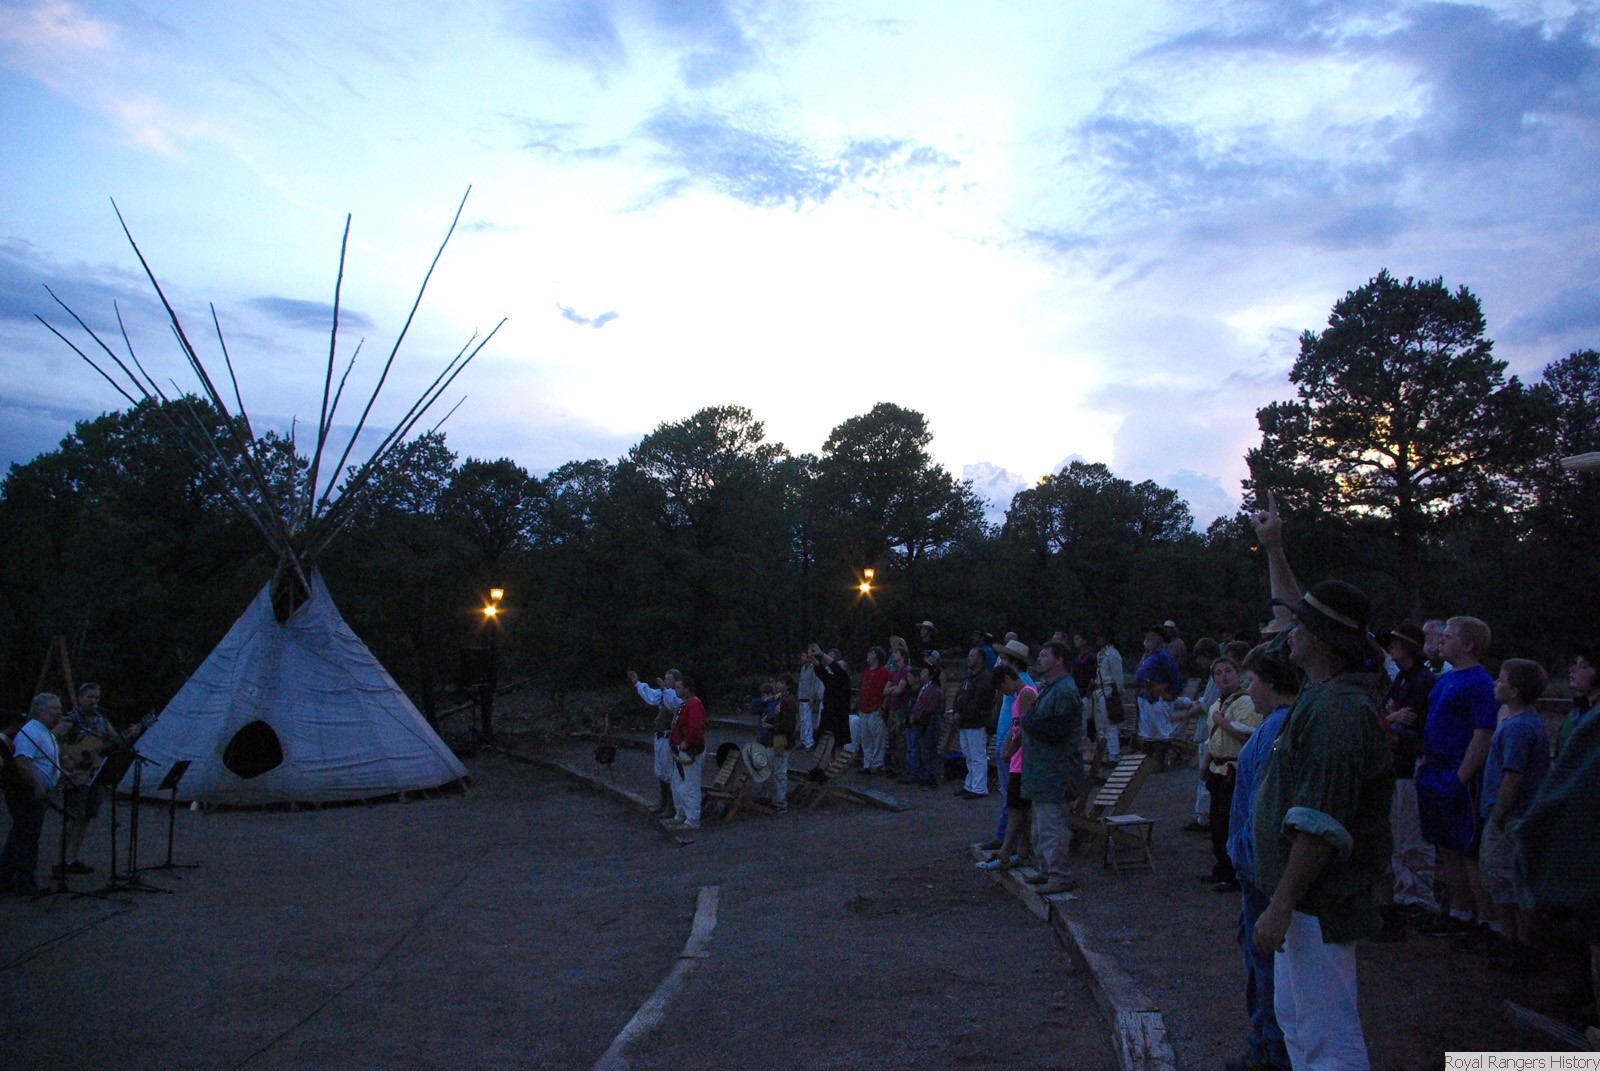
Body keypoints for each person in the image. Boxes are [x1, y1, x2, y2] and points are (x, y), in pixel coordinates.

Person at [1251, 492, 1393, 1071]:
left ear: (1325, 641)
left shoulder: (1337, 714)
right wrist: (1274, 547)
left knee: (1327, 1036)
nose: (1288, 632)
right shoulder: (1326, 689)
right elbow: (1290, 611)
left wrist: (1280, 904)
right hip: (1304, 900)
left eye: (1302, 627)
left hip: (1317, 901)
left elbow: (1320, 823)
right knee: (1299, 1022)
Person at [1225, 643, 1300, 1071]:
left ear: (1270, 682)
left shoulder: (1275, 728)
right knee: (1263, 961)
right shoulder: (1281, 724)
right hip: (1258, 866)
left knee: (1265, 962)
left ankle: (1270, 1049)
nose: (1248, 689)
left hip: (1260, 872)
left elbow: (1263, 808)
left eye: (1252, 680)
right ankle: (1268, 1044)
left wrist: (1247, 861)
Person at [1413, 616, 1498, 943]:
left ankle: (1486, 920)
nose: (1440, 641)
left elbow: (1483, 733)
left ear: (1469, 645)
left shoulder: (1479, 683)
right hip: (1435, 771)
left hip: (1458, 774)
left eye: (1448, 637)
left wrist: (1461, 778)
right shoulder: (1446, 680)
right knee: (1446, 844)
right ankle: (1459, 911)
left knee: (1467, 848)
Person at [1477, 658, 1551, 972]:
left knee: (1505, 880)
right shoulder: (1522, 721)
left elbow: (1513, 777)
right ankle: (1517, 946)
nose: (1496, 683)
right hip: (1515, 816)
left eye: (1501, 680)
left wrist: (1498, 816)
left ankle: (1516, 945)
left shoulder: (1519, 729)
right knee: (1509, 881)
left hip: (1511, 818)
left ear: (1515, 691)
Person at [1373, 621, 1439, 940]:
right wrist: (1390, 720)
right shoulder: (1400, 679)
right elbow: (1390, 717)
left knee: (1411, 838)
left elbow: (1411, 724)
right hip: (1397, 765)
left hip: (1410, 766)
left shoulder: (1422, 681)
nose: (1391, 649)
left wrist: (1392, 723)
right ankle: (1403, 897)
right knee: (1398, 837)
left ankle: (1418, 900)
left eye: (1396, 643)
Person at [1018, 640, 1085, 896]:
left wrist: (1028, 722)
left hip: (1055, 771)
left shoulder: (1064, 691)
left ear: (1059, 660)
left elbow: (1059, 730)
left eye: (1044, 655)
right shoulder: (1052, 689)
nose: (1039, 659)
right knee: (1041, 827)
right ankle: (1047, 870)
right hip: (1044, 771)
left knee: (1052, 827)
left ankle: (1059, 875)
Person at [1202, 655, 1261, 891]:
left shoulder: (1245, 703)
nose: (1224, 676)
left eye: (1228, 671)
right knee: (1216, 823)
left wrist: (1222, 722)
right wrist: (1206, 763)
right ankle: (1222, 866)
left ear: (1238, 675)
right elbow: (1214, 739)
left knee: (1230, 822)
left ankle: (1234, 872)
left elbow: (1248, 737)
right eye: (1218, 673)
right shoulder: (1216, 704)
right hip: (1217, 769)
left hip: (1234, 769)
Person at [1, 694, 64, 896]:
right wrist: (37, 785)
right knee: (27, 838)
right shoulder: (31, 731)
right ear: (40, 710)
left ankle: (6, 878)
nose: (59, 713)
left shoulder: (45, 732)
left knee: (20, 835)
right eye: (54, 708)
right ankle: (25, 883)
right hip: (25, 792)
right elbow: (22, 761)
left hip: (34, 791)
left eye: (59, 708)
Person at [977, 663, 1036, 873]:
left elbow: (1024, 729)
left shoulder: (1026, 694)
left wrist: (1010, 751)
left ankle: (1004, 853)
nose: (1002, 693)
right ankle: (1022, 852)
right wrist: (1008, 746)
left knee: (1015, 809)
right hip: (1018, 761)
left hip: (1022, 762)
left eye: (1001, 688)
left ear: (1007, 680)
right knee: (1021, 809)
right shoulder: (1020, 696)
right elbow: (1016, 727)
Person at [629, 667, 683, 818]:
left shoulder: (677, 697)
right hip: (660, 737)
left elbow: (673, 703)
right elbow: (651, 695)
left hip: (669, 738)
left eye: (669, 679)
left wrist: (665, 689)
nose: (666, 681)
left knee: (668, 772)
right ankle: (663, 804)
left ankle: (671, 807)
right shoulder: (663, 694)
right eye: (665, 678)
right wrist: (638, 684)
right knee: (660, 772)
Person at [1134, 624, 1184, 766]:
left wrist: (1169, 695)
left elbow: (1176, 679)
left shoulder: (1164, 656)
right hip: (1145, 697)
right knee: (1147, 733)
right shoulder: (1148, 655)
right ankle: (1148, 763)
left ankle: (1159, 763)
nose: (1148, 637)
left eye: (1152, 635)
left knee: (1160, 733)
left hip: (1157, 699)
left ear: (1159, 639)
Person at [952, 646, 996, 799]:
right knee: (968, 754)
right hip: (965, 722)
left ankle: (979, 787)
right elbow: (959, 696)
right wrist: (956, 711)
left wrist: (961, 714)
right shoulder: (969, 677)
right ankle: (970, 784)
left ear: (981, 659)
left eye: (972, 656)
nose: (969, 658)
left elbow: (978, 702)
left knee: (977, 755)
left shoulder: (985, 678)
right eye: (969, 655)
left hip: (976, 722)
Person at [666, 675, 706, 830]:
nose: (675, 690)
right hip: (680, 748)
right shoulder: (685, 704)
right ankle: (681, 814)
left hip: (689, 749)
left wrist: (687, 742)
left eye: (678, 687)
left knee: (690, 784)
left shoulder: (693, 704)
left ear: (687, 689)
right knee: (677, 783)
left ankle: (692, 819)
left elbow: (696, 727)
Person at [904, 663, 943, 788]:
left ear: (930, 675)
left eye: (924, 671)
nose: (921, 674)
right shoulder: (924, 688)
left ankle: (931, 776)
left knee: (928, 750)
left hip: (928, 722)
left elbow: (929, 707)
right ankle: (925, 774)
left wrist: (917, 716)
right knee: (923, 750)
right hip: (922, 722)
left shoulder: (933, 689)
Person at [766, 675, 801, 814]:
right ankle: (776, 799)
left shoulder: (788, 701)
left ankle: (780, 802)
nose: (778, 685)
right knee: (775, 768)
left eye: (781, 682)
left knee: (779, 771)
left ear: (788, 685)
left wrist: (772, 726)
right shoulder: (781, 698)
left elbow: (788, 724)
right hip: (777, 738)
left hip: (782, 740)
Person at [811, 645, 853, 754]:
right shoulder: (832, 679)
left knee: (838, 744)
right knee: (823, 743)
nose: (836, 666)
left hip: (839, 718)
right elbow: (821, 671)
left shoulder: (845, 680)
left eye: (840, 665)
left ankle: (835, 761)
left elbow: (835, 667)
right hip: (828, 715)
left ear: (845, 669)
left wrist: (821, 654)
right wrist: (812, 657)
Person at [856, 646, 890, 773]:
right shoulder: (867, 671)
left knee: (877, 738)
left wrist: (883, 707)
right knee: (866, 739)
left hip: (875, 710)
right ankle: (867, 763)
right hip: (864, 709)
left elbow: (886, 691)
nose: (868, 655)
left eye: (870, 653)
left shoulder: (884, 672)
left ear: (876, 656)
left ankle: (877, 763)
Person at [1093, 630, 1125, 761]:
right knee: (1100, 726)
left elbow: (1118, 676)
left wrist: (1116, 692)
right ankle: (1104, 752)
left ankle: (1114, 753)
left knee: (1110, 724)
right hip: (1098, 692)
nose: (1097, 640)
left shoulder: (1112, 653)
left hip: (1108, 692)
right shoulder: (1100, 653)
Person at [796, 649, 822, 750]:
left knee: (807, 721)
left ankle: (809, 743)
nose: (802, 658)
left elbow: (815, 683)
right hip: (802, 697)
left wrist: (813, 697)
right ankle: (803, 740)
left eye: (804, 656)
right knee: (802, 721)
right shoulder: (803, 668)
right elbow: (801, 683)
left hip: (808, 698)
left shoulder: (813, 668)